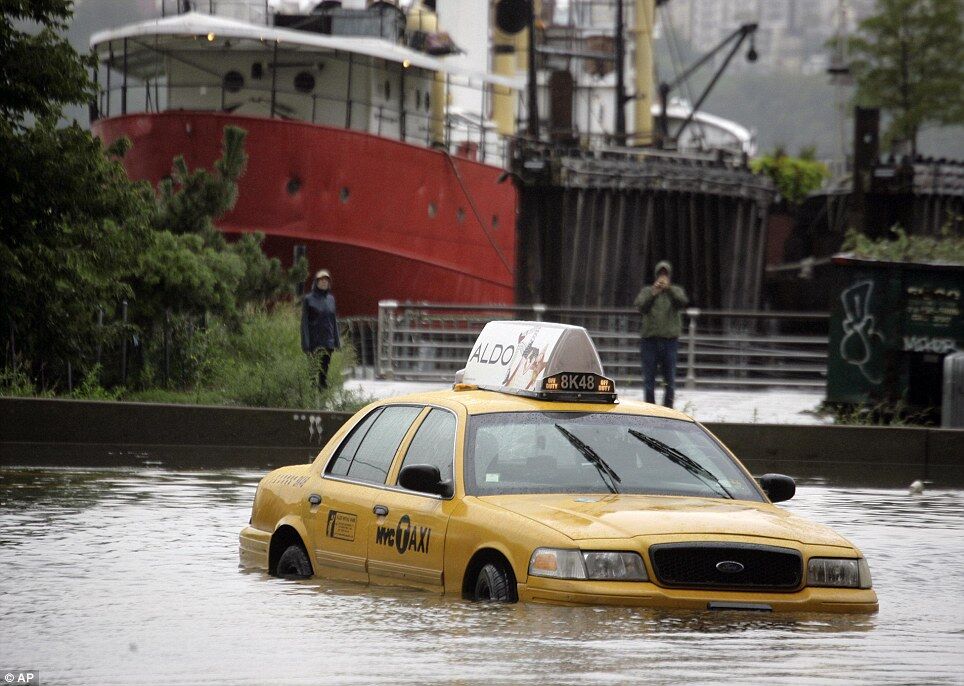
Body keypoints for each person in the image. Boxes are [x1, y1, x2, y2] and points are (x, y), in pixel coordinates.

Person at [634, 260, 688, 408]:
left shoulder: (675, 290)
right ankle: (650, 409)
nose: (662, 277)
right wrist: (653, 293)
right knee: (649, 381)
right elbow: (640, 306)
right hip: (649, 341)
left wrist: (669, 289)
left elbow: (682, 302)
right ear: (656, 275)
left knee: (670, 381)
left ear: (669, 276)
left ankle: (668, 408)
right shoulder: (647, 291)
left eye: (665, 274)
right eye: (660, 274)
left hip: (670, 342)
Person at [301, 269, 340, 390]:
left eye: (326, 280)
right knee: (312, 374)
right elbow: (304, 323)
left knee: (324, 375)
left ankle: (322, 400)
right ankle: (311, 400)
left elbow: (333, 321)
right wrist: (306, 343)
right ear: (316, 282)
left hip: (328, 342)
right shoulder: (308, 299)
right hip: (314, 343)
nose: (324, 283)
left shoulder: (331, 299)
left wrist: (336, 341)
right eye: (321, 280)